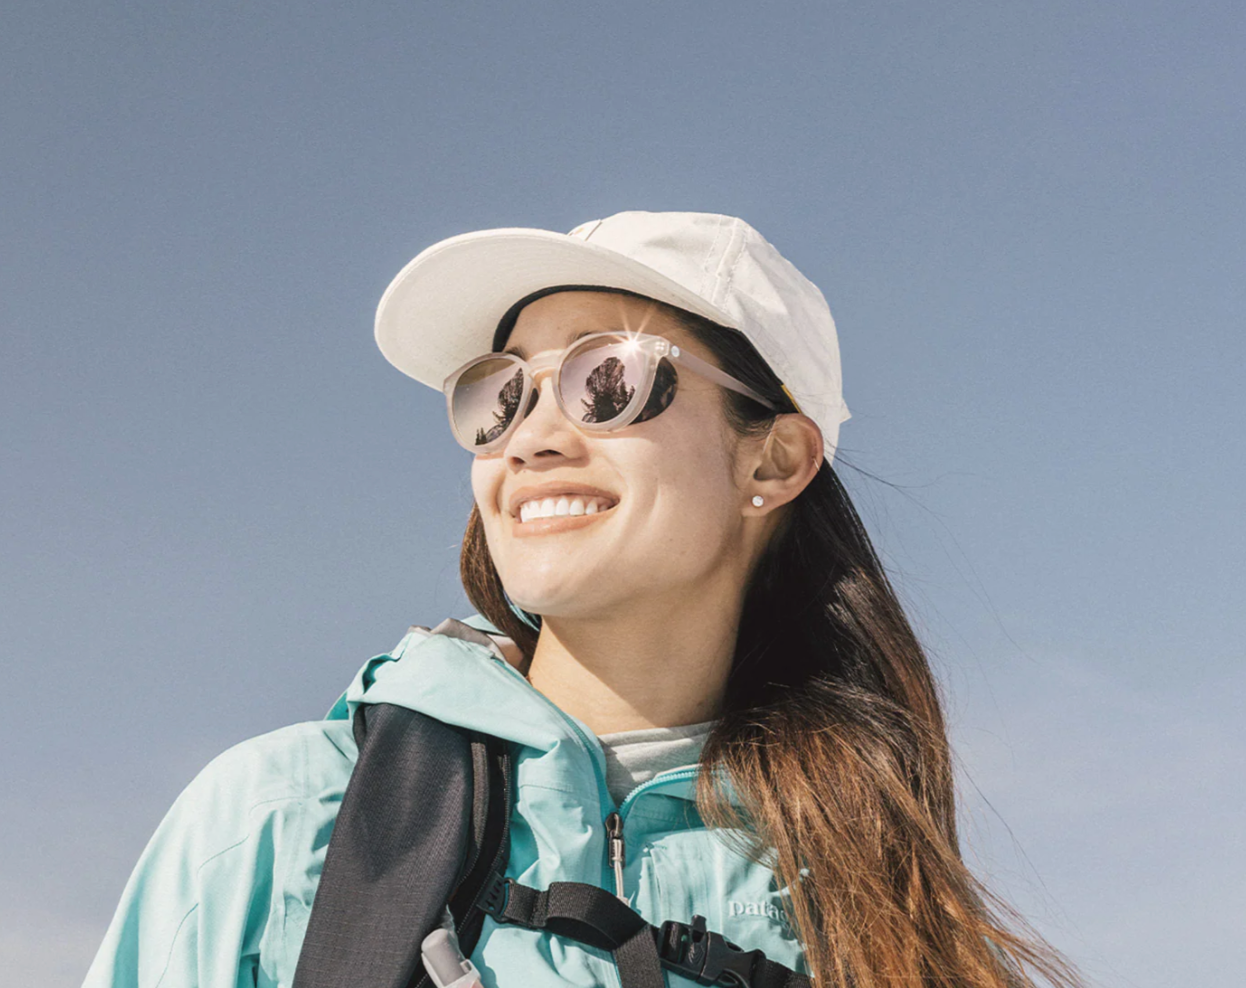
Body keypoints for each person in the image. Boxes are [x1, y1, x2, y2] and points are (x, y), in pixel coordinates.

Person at [84, 211, 1079, 988]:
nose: (528, 437)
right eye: (500, 395)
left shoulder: (882, 901)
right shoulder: (286, 818)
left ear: (772, 460)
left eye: (608, 380)